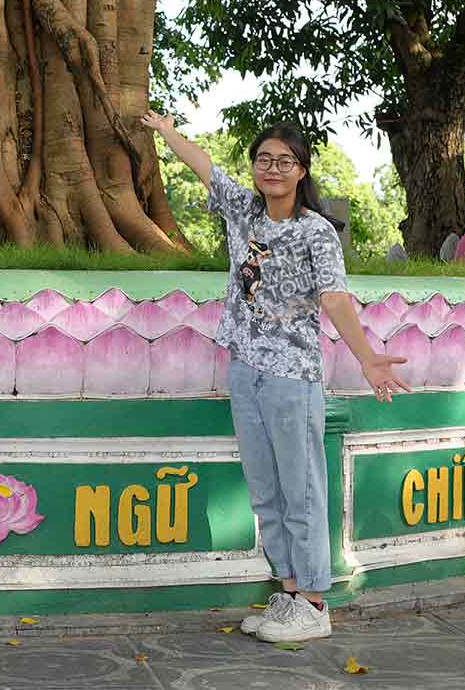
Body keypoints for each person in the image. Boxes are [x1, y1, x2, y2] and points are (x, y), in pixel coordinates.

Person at [140, 112, 412, 643]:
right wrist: (167, 132)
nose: (272, 169)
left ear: (301, 169)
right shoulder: (243, 210)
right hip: (244, 371)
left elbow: (334, 297)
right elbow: (203, 166)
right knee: (265, 492)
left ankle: (314, 601)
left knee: (301, 490)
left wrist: (365, 356)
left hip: (292, 377)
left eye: (284, 161)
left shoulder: (316, 230)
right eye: (264, 159)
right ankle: (288, 594)